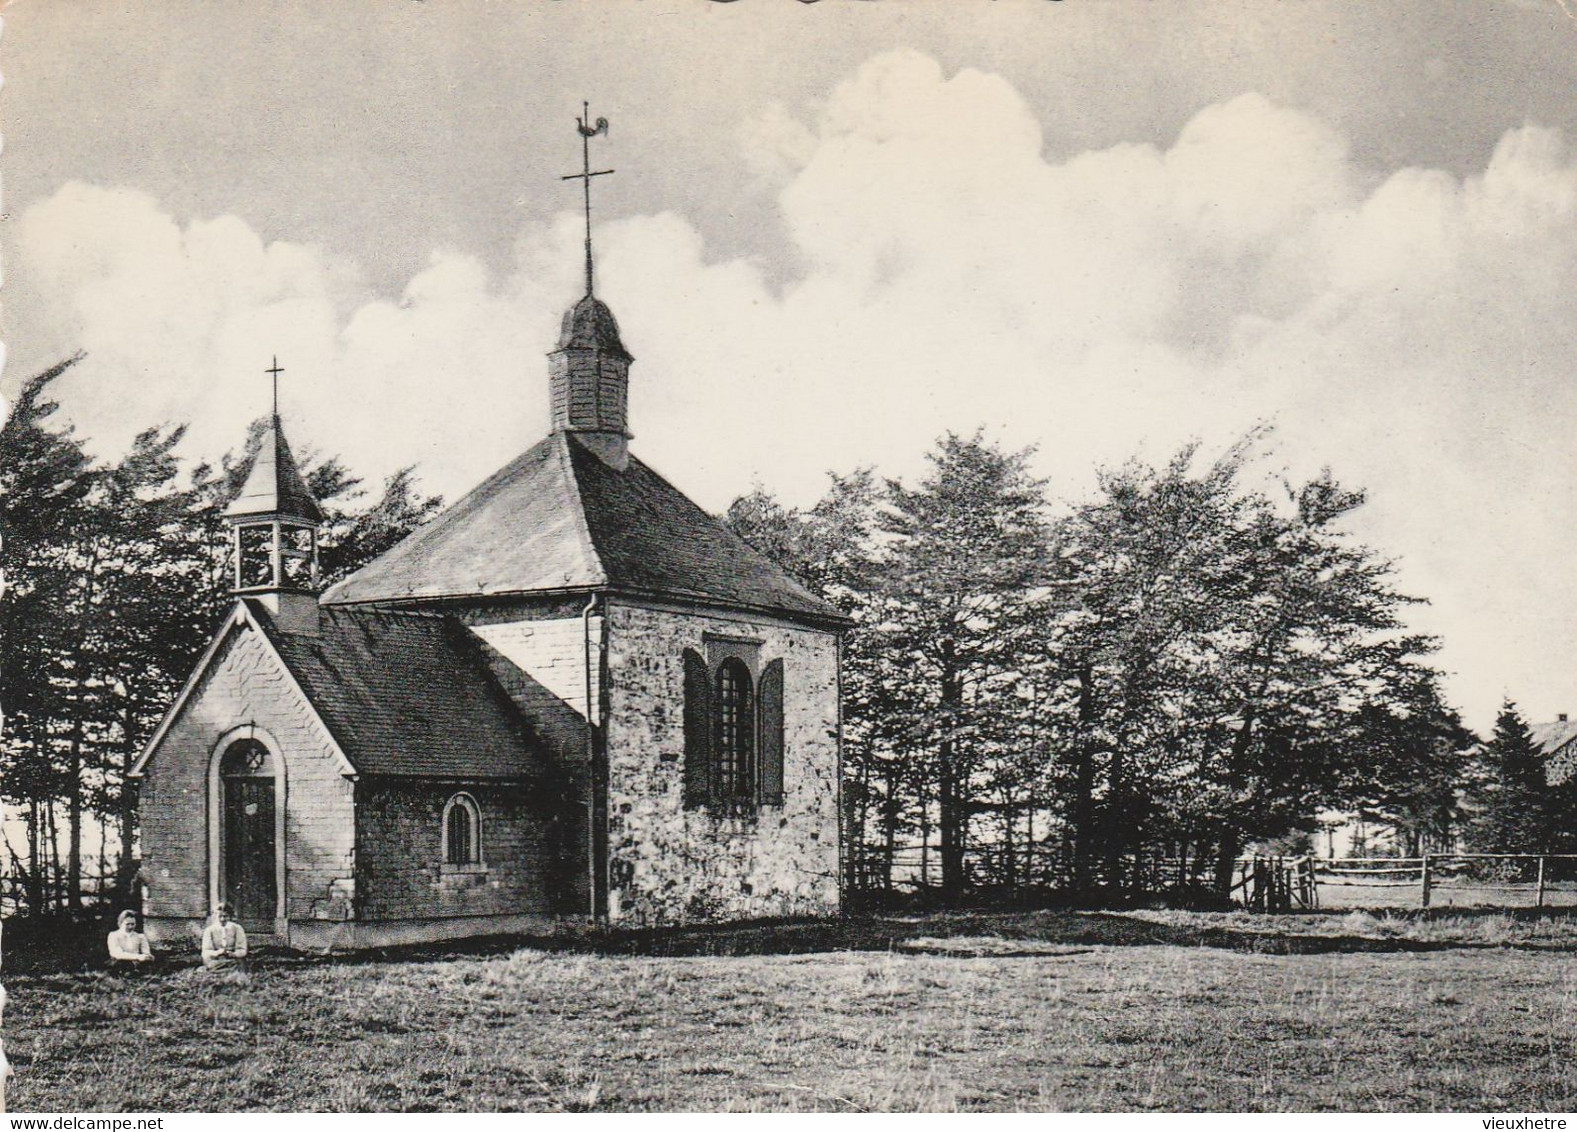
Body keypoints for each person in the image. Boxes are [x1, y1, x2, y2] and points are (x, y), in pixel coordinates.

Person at [200, 904, 249, 973]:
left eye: (225, 916)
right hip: (216, 960)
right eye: (219, 916)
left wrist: (233, 954)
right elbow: (206, 951)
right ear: (215, 916)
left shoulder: (237, 928)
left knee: (238, 965)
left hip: (233, 960)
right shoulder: (209, 930)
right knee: (212, 965)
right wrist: (217, 953)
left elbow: (242, 950)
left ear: (230, 916)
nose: (222, 919)